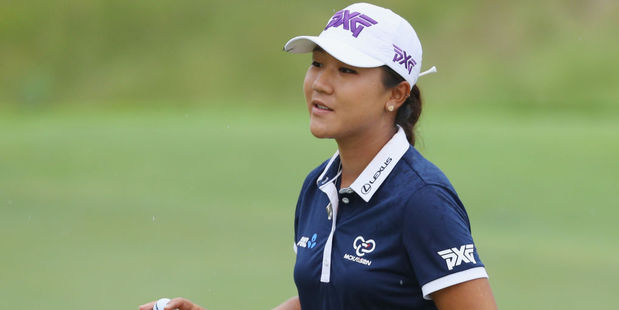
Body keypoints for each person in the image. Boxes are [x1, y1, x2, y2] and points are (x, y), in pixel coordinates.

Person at [140, 3, 497, 310]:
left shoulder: (422, 199)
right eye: (317, 64)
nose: (321, 84)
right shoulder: (319, 185)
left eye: (346, 70)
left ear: (397, 94)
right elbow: (324, 297)